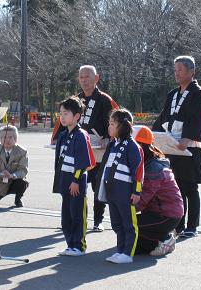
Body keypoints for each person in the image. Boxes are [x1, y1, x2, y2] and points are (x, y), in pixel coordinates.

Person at [51, 65, 119, 232]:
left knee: (97, 186)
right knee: (74, 185)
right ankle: (72, 219)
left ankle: (98, 220)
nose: (84, 80)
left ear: (96, 78)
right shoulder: (74, 100)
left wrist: (109, 138)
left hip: (99, 151)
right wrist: (55, 138)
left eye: (87, 76)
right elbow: (63, 121)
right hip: (77, 150)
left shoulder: (105, 99)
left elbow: (118, 122)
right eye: (81, 77)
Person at [153, 56, 201, 238]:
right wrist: (153, 135)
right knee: (175, 187)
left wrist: (187, 138)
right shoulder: (172, 94)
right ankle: (179, 225)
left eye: (180, 69)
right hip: (170, 146)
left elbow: (199, 118)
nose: (176, 73)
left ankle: (192, 226)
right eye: (175, 69)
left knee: (190, 188)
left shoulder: (199, 94)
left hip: (188, 147)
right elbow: (163, 117)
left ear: (191, 72)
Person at [97, 109, 144, 264]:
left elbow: (138, 171)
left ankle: (128, 253)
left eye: (112, 124)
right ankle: (120, 250)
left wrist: (136, 191)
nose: (109, 127)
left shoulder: (132, 146)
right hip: (112, 191)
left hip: (125, 192)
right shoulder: (113, 145)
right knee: (117, 223)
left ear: (123, 126)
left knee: (128, 223)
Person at [54, 96, 96, 257]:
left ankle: (79, 245)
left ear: (77, 116)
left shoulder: (81, 135)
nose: (62, 117)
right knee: (66, 216)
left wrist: (76, 180)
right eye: (60, 113)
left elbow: (83, 161)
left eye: (66, 113)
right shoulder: (63, 135)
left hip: (75, 182)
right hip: (65, 181)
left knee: (77, 213)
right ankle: (70, 244)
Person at [132, 126, 184, 256]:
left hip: (167, 215)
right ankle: (162, 238)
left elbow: (142, 199)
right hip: (157, 212)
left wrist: (124, 211)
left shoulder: (153, 168)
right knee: (132, 245)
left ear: (140, 146)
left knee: (128, 225)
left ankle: (165, 238)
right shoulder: (147, 162)